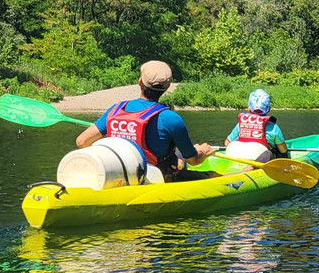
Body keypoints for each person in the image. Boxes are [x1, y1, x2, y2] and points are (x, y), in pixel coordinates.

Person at [75, 60, 214, 182]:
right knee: (211, 173)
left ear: (140, 82)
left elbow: (81, 142)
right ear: (167, 87)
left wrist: (116, 135)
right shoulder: (172, 119)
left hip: (118, 173)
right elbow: (194, 161)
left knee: (179, 157)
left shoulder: (116, 109)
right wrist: (202, 152)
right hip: (154, 177)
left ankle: (179, 162)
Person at [224, 88, 288, 164]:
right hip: (259, 162)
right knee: (282, 154)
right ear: (269, 109)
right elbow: (283, 150)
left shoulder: (241, 124)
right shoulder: (273, 127)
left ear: (249, 108)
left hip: (238, 159)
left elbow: (226, 143)